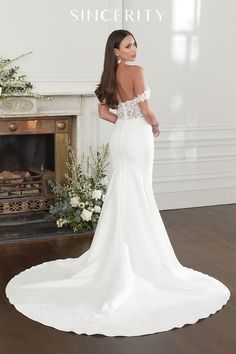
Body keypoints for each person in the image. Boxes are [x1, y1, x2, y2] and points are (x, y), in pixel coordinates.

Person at [5, 29, 231, 337]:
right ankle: (140, 255)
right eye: (128, 45)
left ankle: (116, 251)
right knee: (138, 189)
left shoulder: (109, 77)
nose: (134, 49)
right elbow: (147, 110)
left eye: (135, 44)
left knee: (124, 189)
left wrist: (124, 121)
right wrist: (153, 124)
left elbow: (102, 112)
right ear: (116, 50)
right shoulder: (136, 72)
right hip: (137, 136)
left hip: (123, 135)